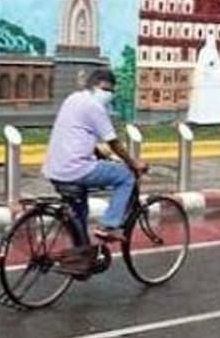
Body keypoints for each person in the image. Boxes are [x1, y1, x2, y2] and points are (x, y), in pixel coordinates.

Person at [42, 68, 147, 245]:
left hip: (55, 169)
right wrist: (133, 164)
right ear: (93, 86)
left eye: (111, 91)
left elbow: (78, 134)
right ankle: (108, 226)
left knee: (79, 213)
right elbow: (113, 142)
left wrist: (97, 153)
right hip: (76, 169)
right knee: (126, 176)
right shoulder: (94, 106)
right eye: (105, 89)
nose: (108, 94)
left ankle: (81, 256)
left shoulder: (73, 99)